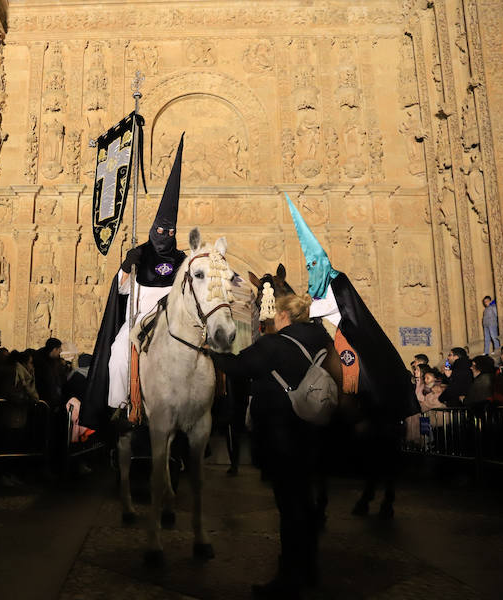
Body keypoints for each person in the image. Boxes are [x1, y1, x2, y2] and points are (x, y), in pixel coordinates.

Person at [285, 193, 417, 521]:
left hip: (348, 338)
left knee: (349, 361)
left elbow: (317, 310)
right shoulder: (319, 288)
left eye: (314, 265)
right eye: (309, 265)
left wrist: (291, 306)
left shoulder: (335, 285)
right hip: (332, 333)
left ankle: (365, 400)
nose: (311, 269)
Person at [210, 292, 332, 599]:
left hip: (282, 437)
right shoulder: (322, 341)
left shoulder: (273, 345)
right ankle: (309, 568)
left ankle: (288, 577)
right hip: (313, 433)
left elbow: (237, 367)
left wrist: (211, 351)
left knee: (289, 508)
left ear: (284, 317)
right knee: (305, 503)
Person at [81, 134, 187, 431]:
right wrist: (127, 265)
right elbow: (123, 289)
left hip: (170, 317)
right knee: (117, 356)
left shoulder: (180, 259)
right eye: (160, 230)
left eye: (170, 231)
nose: (164, 234)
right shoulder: (140, 254)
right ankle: (120, 405)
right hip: (139, 316)